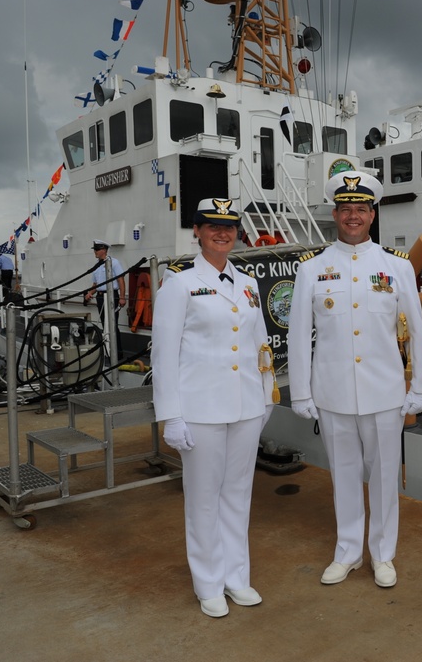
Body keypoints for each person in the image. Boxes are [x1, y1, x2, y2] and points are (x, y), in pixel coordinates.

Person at [288, 171, 422, 588]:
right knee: (343, 477)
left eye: (361, 209)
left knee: (385, 478)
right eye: (346, 209)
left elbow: (416, 331)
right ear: (335, 213)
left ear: (372, 214)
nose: (353, 216)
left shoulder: (396, 267)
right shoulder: (313, 268)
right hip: (331, 393)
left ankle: (383, 555)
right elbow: (298, 334)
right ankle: (348, 551)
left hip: (385, 392)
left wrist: (418, 387)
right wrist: (300, 391)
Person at [151, 198, 275, 618]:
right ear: (198, 232)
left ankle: (236, 577)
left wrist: (267, 394)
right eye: (212, 226)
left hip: (245, 406)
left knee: (238, 495)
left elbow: (260, 345)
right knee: (203, 499)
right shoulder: (179, 284)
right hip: (200, 410)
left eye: (229, 227)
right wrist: (170, 415)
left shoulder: (246, 283)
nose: (222, 233)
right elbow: (163, 355)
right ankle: (208, 583)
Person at [84, 240, 126, 357]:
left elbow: (121, 280)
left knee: (113, 324)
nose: (95, 253)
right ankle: (108, 351)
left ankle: (118, 352)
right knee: (104, 324)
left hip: (112, 295)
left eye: (97, 250)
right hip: (101, 297)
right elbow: (95, 285)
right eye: (95, 250)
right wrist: (89, 293)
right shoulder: (97, 266)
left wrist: (122, 297)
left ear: (104, 250)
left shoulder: (114, 262)